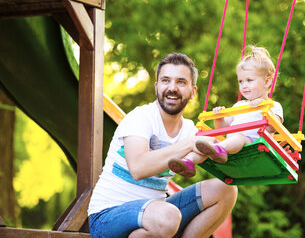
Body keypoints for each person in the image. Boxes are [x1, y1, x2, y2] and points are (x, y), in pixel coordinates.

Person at [88, 53, 237, 238]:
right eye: (166, 80)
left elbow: (231, 158)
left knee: (226, 189)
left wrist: (271, 146)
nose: (172, 88)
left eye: (181, 82)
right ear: (157, 87)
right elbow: (138, 168)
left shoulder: (189, 129)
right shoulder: (140, 117)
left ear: (193, 91)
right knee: (168, 216)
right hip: (108, 217)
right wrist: (189, 144)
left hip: (158, 219)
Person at [168, 46, 284, 178]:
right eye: (241, 81)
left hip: (253, 146)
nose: (244, 85)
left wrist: (264, 109)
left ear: (267, 81)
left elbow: (273, 128)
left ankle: (219, 150)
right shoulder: (238, 105)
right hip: (227, 146)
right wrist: (219, 117)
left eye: (249, 80)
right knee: (208, 142)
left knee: (238, 138)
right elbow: (223, 128)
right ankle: (188, 162)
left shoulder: (273, 105)